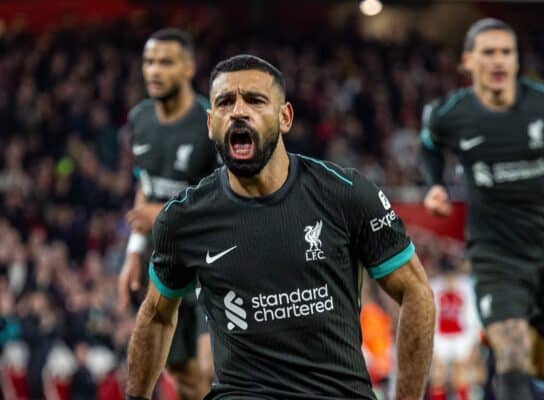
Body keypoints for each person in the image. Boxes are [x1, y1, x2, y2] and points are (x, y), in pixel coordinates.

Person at [125, 54, 435, 400]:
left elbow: (415, 291)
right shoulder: (184, 219)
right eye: (225, 102)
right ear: (211, 123)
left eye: (255, 100)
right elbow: (156, 317)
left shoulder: (345, 194)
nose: (239, 111)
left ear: (285, 117)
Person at [420, 18, 544, 400]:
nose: (499, 61)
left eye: (507, 52)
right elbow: (429, 144)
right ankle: (498, 343)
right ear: (468, 62)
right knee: (512, 349)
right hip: (493, 252)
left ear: (517, 60)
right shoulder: (451, 114)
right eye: (488, 52)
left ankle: (498, 356)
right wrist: (434, 183)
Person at [117, 28, 218, 399]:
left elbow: (228, 198)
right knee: (181, 370)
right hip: (164, 262)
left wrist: (160, 214)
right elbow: (145, 185)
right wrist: (132, 252)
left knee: (213, 368)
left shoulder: (211, 121)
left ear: (188, 67)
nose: (154, 71)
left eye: (165, 62)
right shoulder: (139, 119)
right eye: (148, 62)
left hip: (211, 263)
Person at [429, 260, 480, 400]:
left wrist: (473, 343)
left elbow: (473, 316)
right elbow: (430, 316)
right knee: (438, 375)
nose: (449, 282)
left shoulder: (466, 286)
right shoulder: (434, 287)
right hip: (440, 338)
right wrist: (431, 346)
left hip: (461, 337)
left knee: (461, 373)